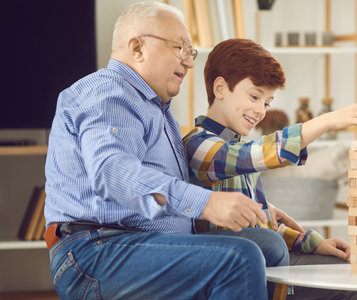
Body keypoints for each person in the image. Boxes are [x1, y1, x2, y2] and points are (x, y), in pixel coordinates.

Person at [44, 3, 289, 299]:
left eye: (191, 52)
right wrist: (205, 203)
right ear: (137, 48)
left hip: (142, 243)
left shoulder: (157, 110)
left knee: (270, 245)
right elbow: (112, 173)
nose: (188, 62)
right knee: (239, 257)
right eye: (180, 48)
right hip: (96, 252)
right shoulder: (110, 93)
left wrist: (257, 207)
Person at [183, 38, 357, 299]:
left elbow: (264, 222)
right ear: (220, 87)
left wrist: (314, 243)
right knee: (338, 283)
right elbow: (257, 155)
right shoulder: (199, 145)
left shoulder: (237, 148)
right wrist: (328, 121)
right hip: (233, 267)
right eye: (254, 96)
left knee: (347, 274)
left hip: (265, 254)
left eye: (266, 103)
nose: (260, 111)